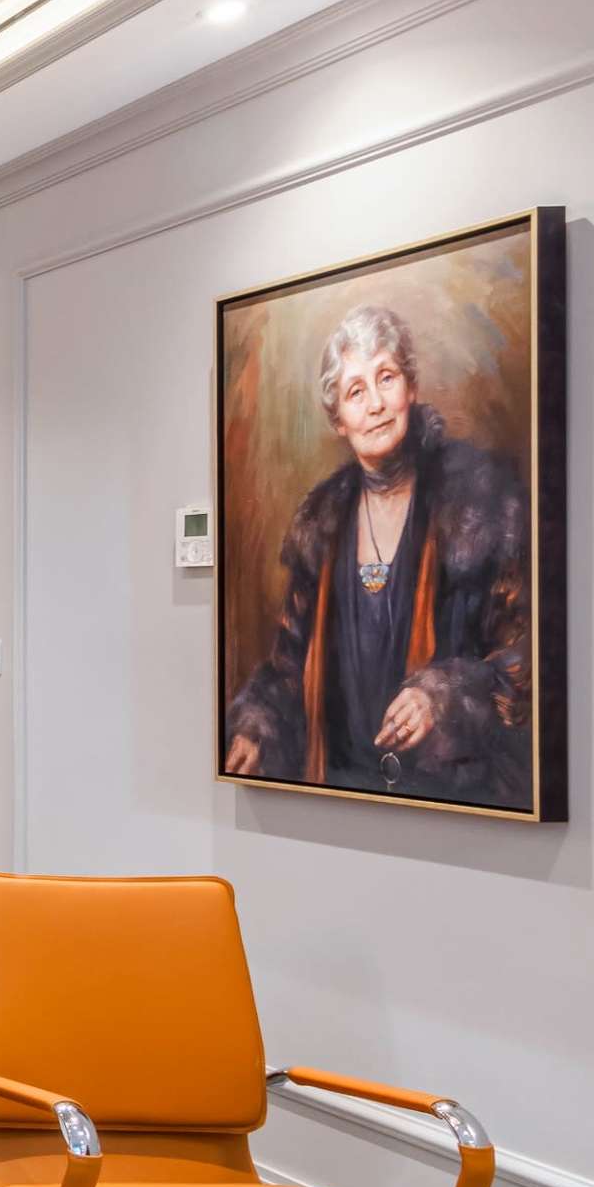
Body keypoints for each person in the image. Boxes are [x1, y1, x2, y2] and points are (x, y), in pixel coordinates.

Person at [221, 301, 533, 808]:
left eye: (386, 377)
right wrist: (254, 732)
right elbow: (287, 672)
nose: (375, 404)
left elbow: (527, 660)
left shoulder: (481, 499)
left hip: (456, 804)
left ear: (411, 387)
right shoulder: (322, 521)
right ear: (338, 420)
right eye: (355, 391)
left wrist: (445, 697)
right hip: (341, 796)